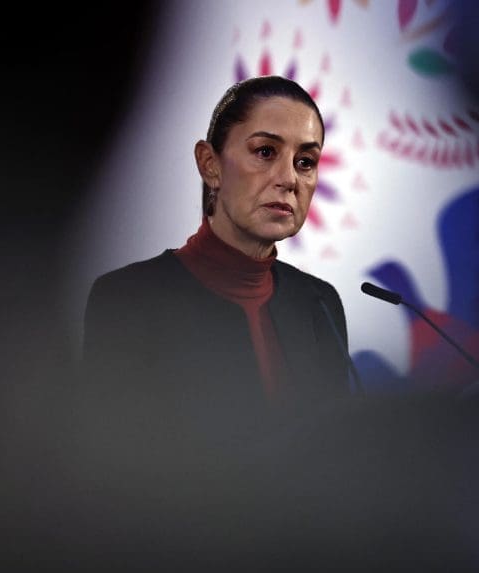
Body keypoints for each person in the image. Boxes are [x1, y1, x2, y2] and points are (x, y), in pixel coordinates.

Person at [80, 75, 351, 439]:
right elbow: (114, 457)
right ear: (210, 164)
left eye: (305, 161)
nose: (289, 179)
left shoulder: (320, 304)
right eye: (265, 152)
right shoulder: (126, 299)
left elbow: (337, 454)